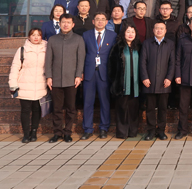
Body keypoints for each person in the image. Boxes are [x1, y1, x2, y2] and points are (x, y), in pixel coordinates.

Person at [45, 13, 85, 143]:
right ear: (60, 24)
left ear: (73, 25)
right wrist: (49, 76)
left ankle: (67, 132)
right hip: (55, 79)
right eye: (63, 22)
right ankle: (57, 132)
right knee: (56, 108)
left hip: (72, 79)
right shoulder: (52, 39)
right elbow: (48, 60)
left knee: (70, 108)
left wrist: (78, 75)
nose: (66, 25)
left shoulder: (78, 39)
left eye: (68, 22)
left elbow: (81, 59)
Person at [81, 12, 116, 140]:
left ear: (107, 22)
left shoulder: (113, 35)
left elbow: (114, 55)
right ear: (93, 21)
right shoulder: (86, 35)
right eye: (97, 19)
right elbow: (82, 54)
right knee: (88, 102)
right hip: (89, 73)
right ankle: (87, 129)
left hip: (105, 73)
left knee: (104, 102)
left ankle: (104, 128)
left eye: (103, 19)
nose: (100, 21)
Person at [9, 28, 47, 143]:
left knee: (37, 110)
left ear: (41, 37)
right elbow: (15, 67)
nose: (36, 37)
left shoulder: (47, 49)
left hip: (41, 84)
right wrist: (13, 84)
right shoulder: (22, 50)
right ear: (29, 37)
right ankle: (26, 134)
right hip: (24, 85)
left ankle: (34, 132)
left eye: (38, 35)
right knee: (25, 110)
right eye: (33, 35)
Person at [140, 22, 175, 141]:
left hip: (164, 82)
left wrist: (169, 78)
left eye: (161, 28)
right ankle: (150, 131)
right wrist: (144, 77)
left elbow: (172, 63)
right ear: (153, 30)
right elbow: (142, 62)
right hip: (149, 81)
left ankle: (161, 131)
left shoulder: (170, 44)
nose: (159, 30)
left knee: (162, 108)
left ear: (165, 30)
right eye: (157, 28)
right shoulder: (147, 43)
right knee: (150, 108)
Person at [108, 24, 141, 139]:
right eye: (128, 32)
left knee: (134, 108)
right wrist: (114, 82)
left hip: (135, 83)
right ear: (123, 34)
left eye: (133, 32)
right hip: (121, 83)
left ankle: (133, 132)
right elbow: (111, 66)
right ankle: (122, 132)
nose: (130, 34)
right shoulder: (118, 47)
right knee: (122, 108)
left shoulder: (139, 47)